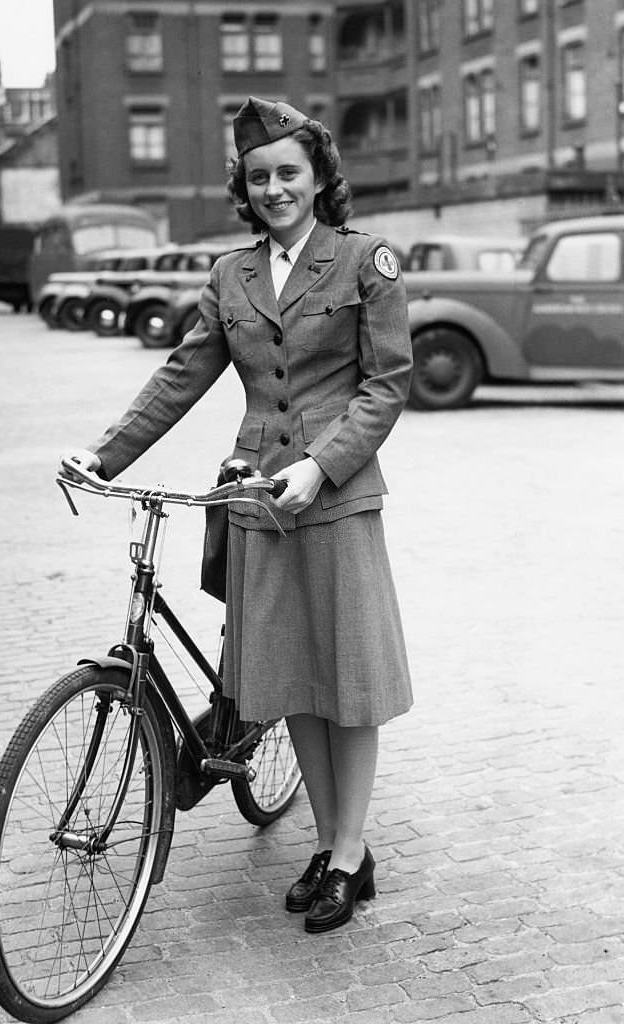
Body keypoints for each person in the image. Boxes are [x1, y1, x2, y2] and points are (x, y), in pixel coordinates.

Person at [61, 96, 413, 933]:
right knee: (293, 680)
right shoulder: (230, 276)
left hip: (335, 498)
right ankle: (326, 846)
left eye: (289, 173)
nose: (274, 189)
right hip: (257, 500)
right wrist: (103, 456)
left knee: (347, 683)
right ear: (244, 189)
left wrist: (321, 466)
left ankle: (350, 853)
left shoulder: (364, 261)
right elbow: (181, 376)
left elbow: (386, 385)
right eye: (258, 178)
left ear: (319, 177)